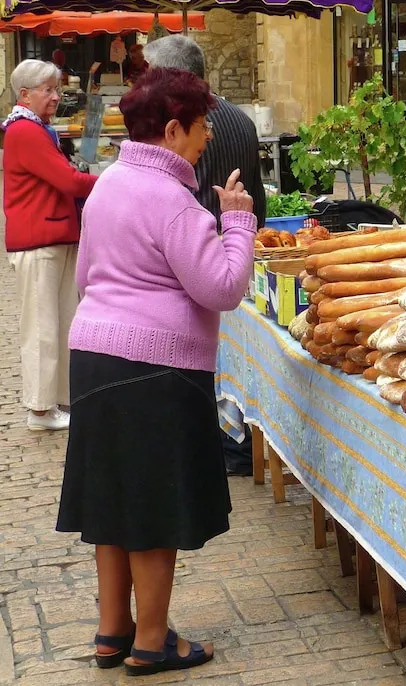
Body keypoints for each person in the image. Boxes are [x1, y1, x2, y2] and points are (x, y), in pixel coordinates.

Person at [55, 67, 256, 675]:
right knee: (151, 506)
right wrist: (237, 221)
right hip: (157, 367)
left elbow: (88, 274)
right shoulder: (172, 200)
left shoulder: (109, 184)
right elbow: (221, 287)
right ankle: (151, 641)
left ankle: (112, 631)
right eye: (200, 127)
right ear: (172, 130)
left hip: (95, 355)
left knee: (111, 501)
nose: (207, 138)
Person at [144, 33, 267, 476]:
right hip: (236, 243)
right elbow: (256, 196)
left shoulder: (175, 126)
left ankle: (213, 444)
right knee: (233, 355)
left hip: (192, 254)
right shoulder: (241, 120)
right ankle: (237, 444)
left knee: (202, 357)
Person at [2, 59, 98, 431]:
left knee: (61, 322)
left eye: (56, 89)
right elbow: (68, 181)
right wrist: (108, 181)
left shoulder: (34, 128)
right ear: (25, 94)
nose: (56, 96)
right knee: (42, 327)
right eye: (48, 90)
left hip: (52, 236)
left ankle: (59, 400)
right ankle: (40, 409)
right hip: (39, 240)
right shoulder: (25, 131)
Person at [144, 34, 267, 229]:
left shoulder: (173, 125)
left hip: (190, 240)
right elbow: (257, 204)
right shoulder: (244, 120)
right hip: (240, 234)